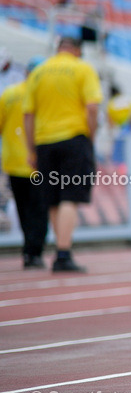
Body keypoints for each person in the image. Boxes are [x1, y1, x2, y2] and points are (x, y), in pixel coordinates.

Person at [24, 37, 102, 272]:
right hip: (73, 138)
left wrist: (31, 149)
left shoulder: (38, 73)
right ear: (77, 50)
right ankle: (63, 252)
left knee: (53, 199)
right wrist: (91, 137)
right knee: (70, 196)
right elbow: (92, 108)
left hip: (44, 142)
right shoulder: (82, 68)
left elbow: (28, 115)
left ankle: (61, 249)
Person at [0, 57, 48, 268]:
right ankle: (34, 251)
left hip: (14, 161)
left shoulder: (9, 94)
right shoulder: (44, 95)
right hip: (39, 161)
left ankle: (29, 250)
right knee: (40, 209)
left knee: (23, 208)